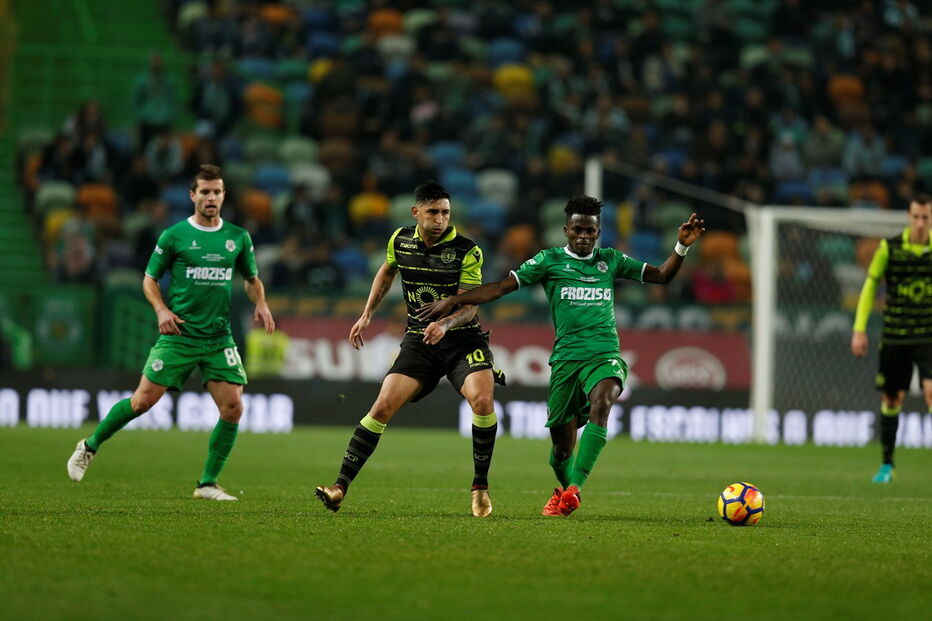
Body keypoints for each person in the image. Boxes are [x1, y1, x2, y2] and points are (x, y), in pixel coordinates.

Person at [418, 196, 704, 516]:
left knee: (604, 401)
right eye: (577, 230)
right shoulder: (548, 261)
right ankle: (565, 485)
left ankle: (574, 489)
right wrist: (452, 302)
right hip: (566, 359)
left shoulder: (611, 260)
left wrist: (681, 246)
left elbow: (662, 276)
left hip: (604, 352)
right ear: (566, 230)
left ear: (598, 233)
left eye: (590, 231)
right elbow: (499, 288)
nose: (583, 236)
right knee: (560, 450)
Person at [67, 164, 275, 500]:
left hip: (217, 337)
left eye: (217, 191)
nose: (211, 197)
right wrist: (162, 310)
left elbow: (251, 280)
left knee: (234, 407)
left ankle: (207, 483)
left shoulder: (238, 237)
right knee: (141, 402)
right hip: (179, 334)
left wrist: (261, 303)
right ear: (193, 195)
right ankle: (89, 446)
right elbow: (149, 279)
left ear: (224, 195)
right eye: (205, 192)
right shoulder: (174, 235)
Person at [315, 181, 505, 517]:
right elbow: (387, 273)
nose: (440, 219)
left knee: (483, 400)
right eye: (433, 212)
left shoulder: (467, 250)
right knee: (383, 405)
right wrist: (366, 314)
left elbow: (470, 305)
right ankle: (339, 487)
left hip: (462, 341)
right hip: (419, 340)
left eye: (445, 212)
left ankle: (480, 487)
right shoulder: (399, 240)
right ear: (416, 212)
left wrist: (445, 323)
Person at [851, 193, 932, 483]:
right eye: (916, 217)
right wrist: (859, 329)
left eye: (926, 217)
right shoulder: (889, 248)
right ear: (909, 217)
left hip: (928, 333)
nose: (921, 223)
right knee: (892, 397)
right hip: (896, 334)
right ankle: (887, 464)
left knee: (931, 392)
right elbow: (870, 288)